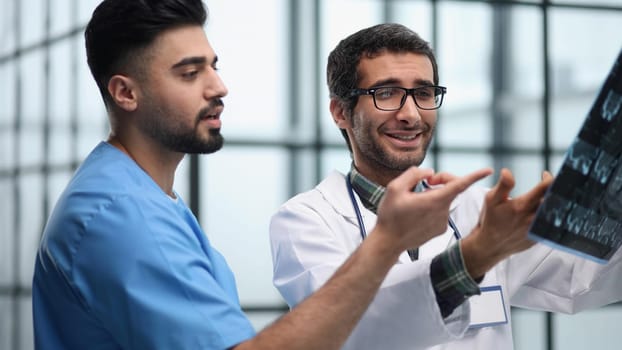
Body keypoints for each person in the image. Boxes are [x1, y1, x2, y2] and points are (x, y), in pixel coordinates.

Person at [30, 2, 494, 350]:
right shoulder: (123, 215)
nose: (219, 86)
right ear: (125, 93)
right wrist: (389, 240)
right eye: (190, 73)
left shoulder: (145, 196)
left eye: (213, 65)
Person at [269, 23, 622, 350]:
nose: (411, 114)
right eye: (387, 93)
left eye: (423, 92)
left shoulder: (477, 210)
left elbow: (581, 280)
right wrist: (474, 256)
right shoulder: (305, 221)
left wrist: (606, 207)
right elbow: (345, 328)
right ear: (340, 112)